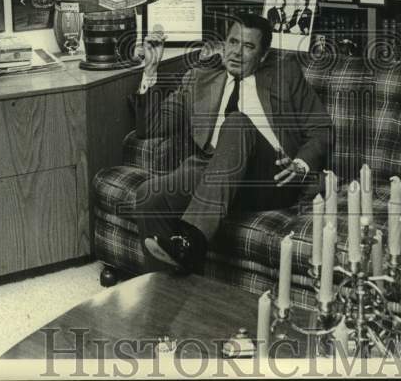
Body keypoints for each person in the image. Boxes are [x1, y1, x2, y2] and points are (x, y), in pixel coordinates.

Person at [131, 14, 331, 274]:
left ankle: (191, 242)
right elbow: (150, 129)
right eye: (232, 42)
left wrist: (300, 165)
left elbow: (321, 128)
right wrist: (150, 71)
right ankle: (166, 297)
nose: (236, 52)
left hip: (270, 176)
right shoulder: (198, 79)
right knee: (150, 195)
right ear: (224, 43)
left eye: (248, 47)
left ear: (263, 54)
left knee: (237, 122)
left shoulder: (285, 75)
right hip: (213, 176)